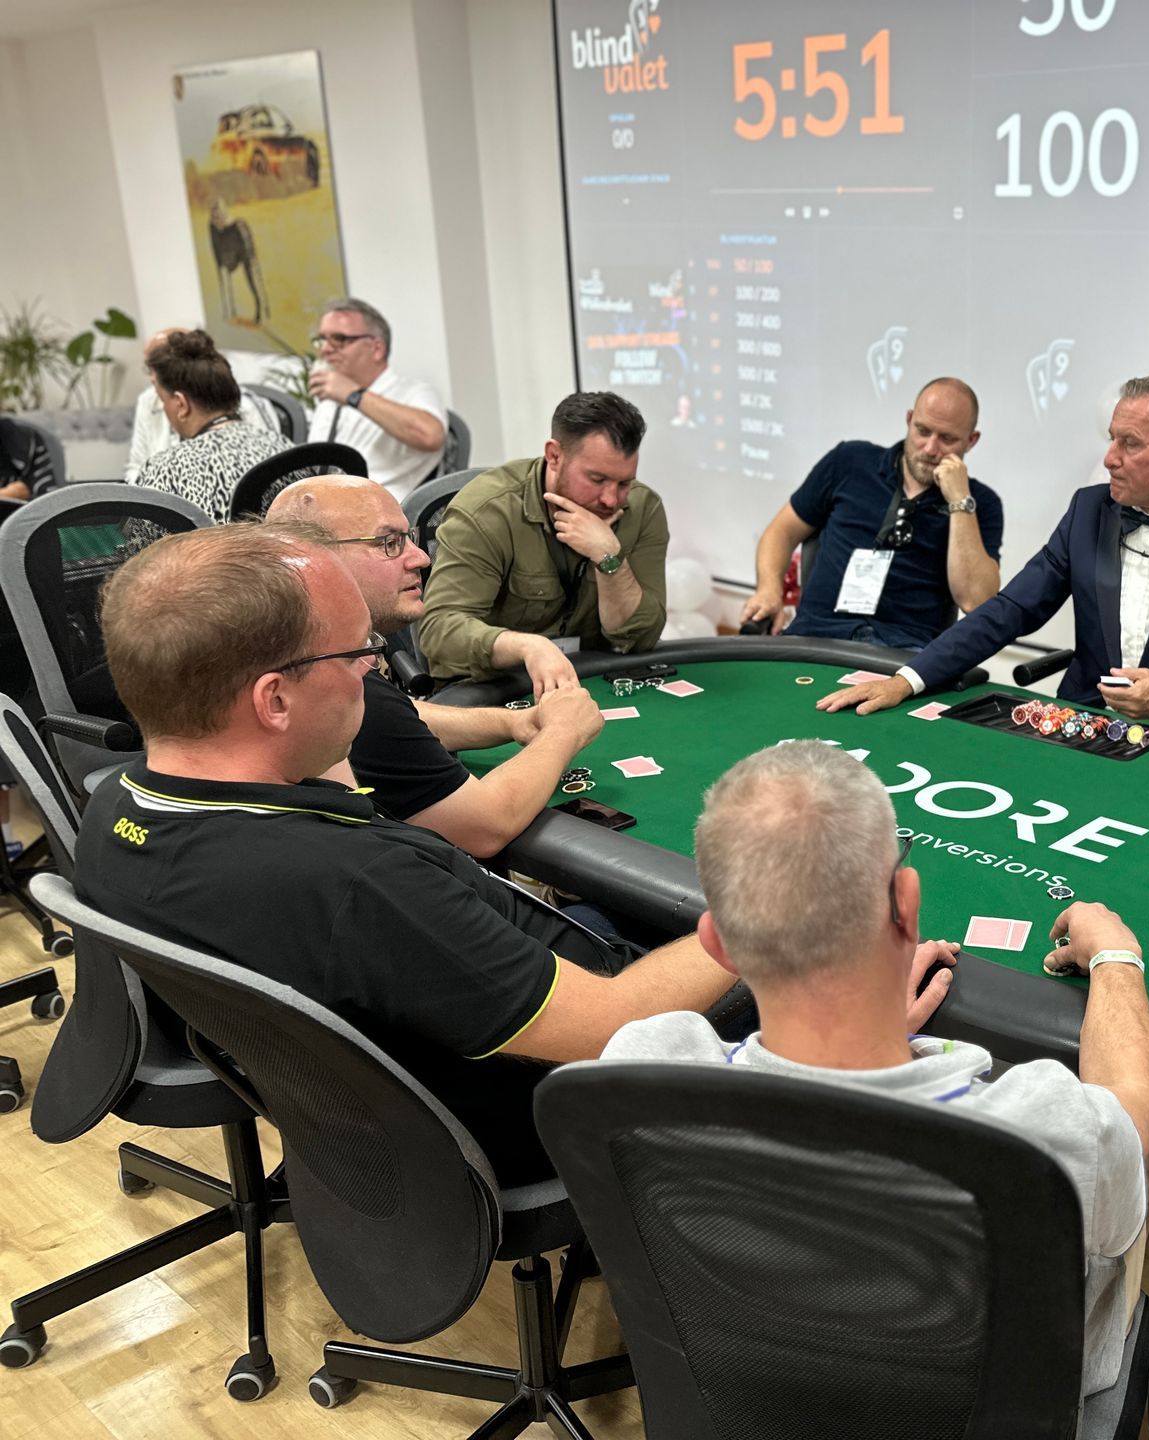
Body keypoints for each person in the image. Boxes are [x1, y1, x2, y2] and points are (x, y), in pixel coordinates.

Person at [77, 523, 735, 1184]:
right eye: (356, 653)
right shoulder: (357, 884)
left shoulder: (114, 809)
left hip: (389, 1110)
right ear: (273, 699)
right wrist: (760, 912)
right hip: (558, 1110)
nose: (372, 668)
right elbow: (614, 1026)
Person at [598, 740, 1149, 1405]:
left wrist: (871, 1027)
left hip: (751, 1408)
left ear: (716, 943)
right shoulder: (1046, 1131)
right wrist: (1116, 959)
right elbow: (1135, 1105)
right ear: (907, 902)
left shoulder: (637, 1071)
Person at [818, 373, 1149, 731]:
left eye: (1130, 444)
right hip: (1080, 726)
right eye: (1111, 438)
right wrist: (907, 679)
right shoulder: (1089, 510)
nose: (1109, 458)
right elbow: (1008, 610)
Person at [267, 475, 605, 857]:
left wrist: (514, 723)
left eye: (408, 538)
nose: (421, 558)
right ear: (315, 560)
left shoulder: (297, 648)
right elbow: (485, 826)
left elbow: (396, 719)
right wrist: (563, 730)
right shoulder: (335, 682)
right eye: (390, 543)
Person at [417, 391, 668, 691]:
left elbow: (642, 639)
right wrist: (527, 647)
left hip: (592, 680)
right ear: (554, 456)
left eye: (624, 483)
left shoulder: (642, 508)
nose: (611, 499)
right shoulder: (487, 511)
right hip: (493, 686)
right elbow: (440, 631)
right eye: (597, 479)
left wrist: (608, 557)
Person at [738, 377, 1004, 650]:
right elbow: (781, 532)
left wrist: (959, 501)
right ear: (909, 420)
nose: (930, 448)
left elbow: (976, 601)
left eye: (947, 439)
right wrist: (769, 590)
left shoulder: (981, 503)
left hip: (903, 652)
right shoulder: (849, 461)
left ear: (971, 441)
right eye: (922, 431)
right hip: (815, 636)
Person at [131, 329, 290, 521]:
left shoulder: (166, 470)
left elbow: (138, 537)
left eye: (163, 400)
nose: (164, 408)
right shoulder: (284, 449)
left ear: (181, 404)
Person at [306, 297, 447, 502]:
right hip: (324, 506)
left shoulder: (414, 392)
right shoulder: (330, 400)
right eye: (323, 339)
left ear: (377, 349)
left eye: (339, 339)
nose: (325, 349)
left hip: (380, 512)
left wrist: (353, 395)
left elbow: (430, 435)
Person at [124, 325, 278, 481]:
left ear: (181, 404)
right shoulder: (278, 445)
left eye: (155, 368)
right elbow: (136, 466)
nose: (152, 377)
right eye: (148, 368)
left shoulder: (166, 472)